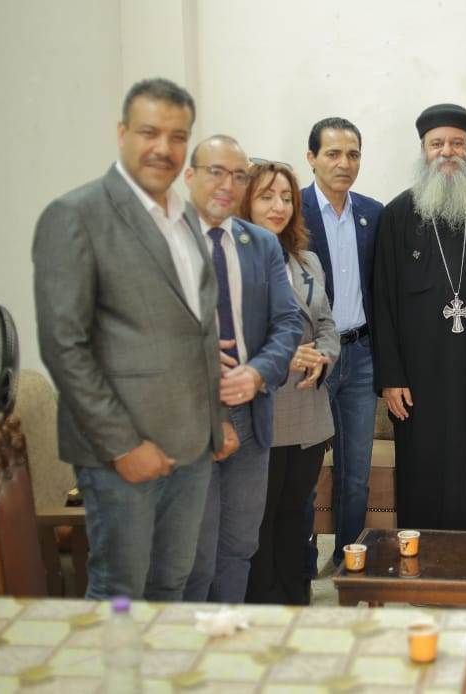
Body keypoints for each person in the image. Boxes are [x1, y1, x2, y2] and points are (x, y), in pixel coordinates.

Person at [33, 78, 238, 600]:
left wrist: (214, 422)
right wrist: (122, 445)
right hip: (121, 454)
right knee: (120, 589)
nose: (163, 148)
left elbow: (200, 329)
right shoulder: (76, 215)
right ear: (122, 133)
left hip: (191, 447)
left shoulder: (184, 216)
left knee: (171, 582)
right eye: (150, 132)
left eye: (177, 136)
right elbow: (64, 345)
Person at [374, 103, 466, 530]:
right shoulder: (397, 215)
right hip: (420, 377)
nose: (447, 151)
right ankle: (425, 559)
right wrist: (391, 377)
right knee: (425, 468)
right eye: (437, 143)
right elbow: (383, 300)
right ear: (423, 151)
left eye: (457, 143)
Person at [182, 136, 302, 604]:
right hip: (187, 424)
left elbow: (287, 322)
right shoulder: (160, 243)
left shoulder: (261, 244)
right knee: (194, 557)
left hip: (251, 418)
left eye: (237, 175)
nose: (227, 184)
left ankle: (226, 635)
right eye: (216, 172)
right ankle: (191, 646)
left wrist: (257, 373)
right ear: (189, 176)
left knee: (238, 547)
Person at [243, 160, 341, 605]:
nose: (278, 206)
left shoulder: (307, 261)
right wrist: (285, 357)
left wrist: (325, 355)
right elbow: (230, 339)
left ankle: (295, 599)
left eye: (286, 197)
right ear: (245, 202)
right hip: (261, 410)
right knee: (259, 519)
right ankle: (265, 606)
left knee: (296, 512)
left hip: (307, 411)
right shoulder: (231, 262)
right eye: (266, 196)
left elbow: (327, 324)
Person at [300, 118, 383, 569]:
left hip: (362, 356)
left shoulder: (373, 214)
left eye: (353, 154)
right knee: (305, 472)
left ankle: (349, 560)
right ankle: (302, 560)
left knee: (356, 473)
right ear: (311, 157)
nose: (344, 163)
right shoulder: (291, 210)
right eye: (333, 153)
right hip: (312, 360)